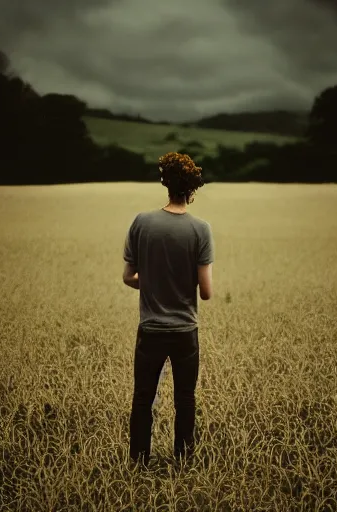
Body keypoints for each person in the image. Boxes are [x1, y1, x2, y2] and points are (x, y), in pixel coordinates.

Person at [123, 152, 214, 470]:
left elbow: (128, 277)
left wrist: (153, 285)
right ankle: (184, 461)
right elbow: (206, 292)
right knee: (185, 399)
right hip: (185, 332)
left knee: (142, 399)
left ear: (166, 186)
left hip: (150, 330)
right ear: (192, 191)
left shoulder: (142, 222)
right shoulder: (200, 229)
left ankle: (138, 463)